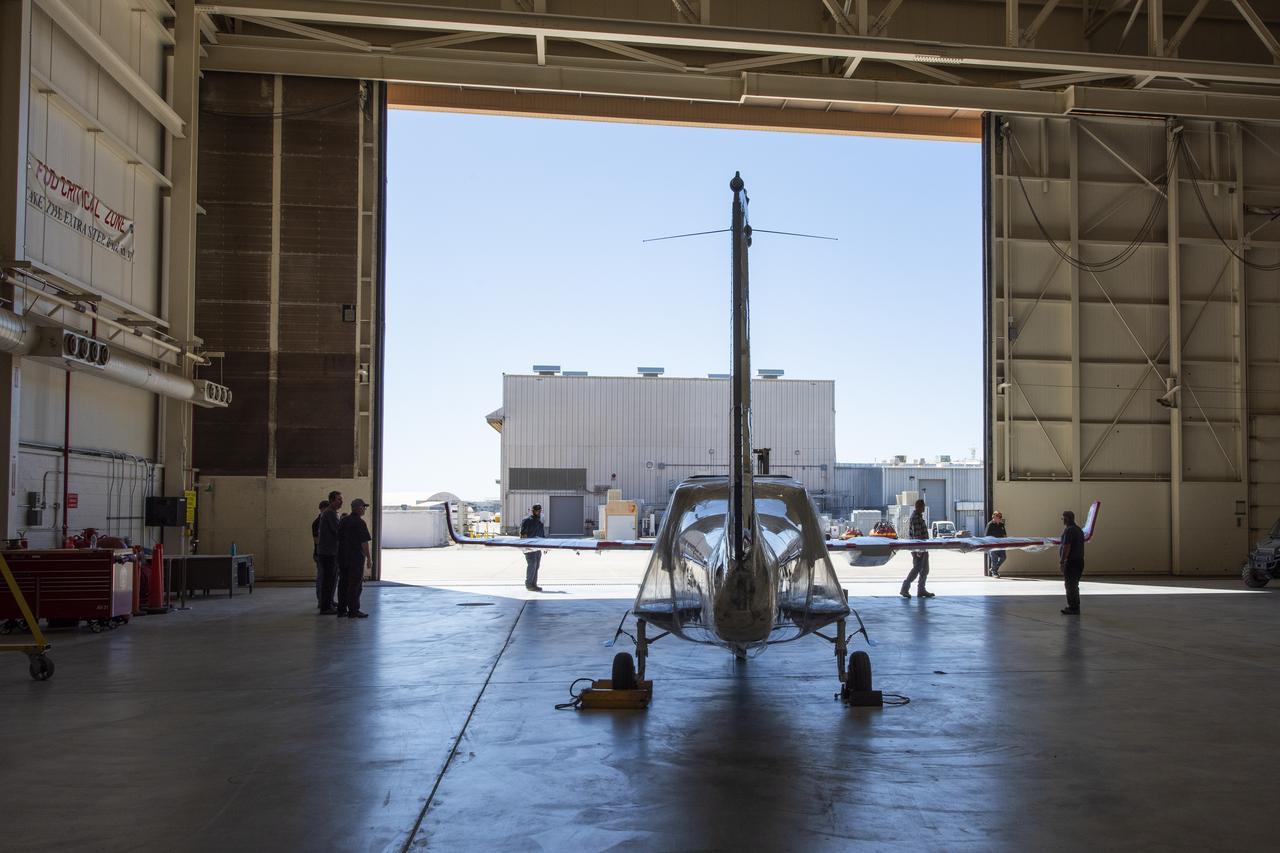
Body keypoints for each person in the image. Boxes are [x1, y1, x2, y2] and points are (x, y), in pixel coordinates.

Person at [337, 498, 373, 618]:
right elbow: (364, 542)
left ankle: (341, 609)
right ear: (358, 508)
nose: (365, 509)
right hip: (355, 558)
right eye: (364, 507)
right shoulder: (360, 522)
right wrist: (369, 558)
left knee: (343, 583)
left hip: (342, 557)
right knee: (355, 584)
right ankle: (353, 610)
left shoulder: (343, 521)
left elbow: (338, 538)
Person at [900, 499, 935, 599]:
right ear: (919, 507)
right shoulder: (915, 518)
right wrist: (919, 550)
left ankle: (921, 589)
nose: (924, 508)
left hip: (923, 547)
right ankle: (905, 588)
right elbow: (917, 535)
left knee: (925, 570)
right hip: (919, 548)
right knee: (917, 569)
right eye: (923, 506)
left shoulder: (918, 517)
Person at [315, 490, 343, 614]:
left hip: (330, 552)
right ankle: (325, 606)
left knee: (331, 579)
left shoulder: (332, 513)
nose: (341, 501)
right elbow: (338, 530)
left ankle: (329, 602)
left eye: (341, 499)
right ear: (331, 500)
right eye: (338, 499)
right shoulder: (330, 513)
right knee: (328, 580)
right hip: (328, 553)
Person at [1059, 509, 1085, 615]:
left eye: (1063, 518)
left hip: (1072, 562)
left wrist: (1062, 561)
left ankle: (1073, 608)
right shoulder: (1079, 530)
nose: (1062, 520)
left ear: (1067, 519)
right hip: (1079, 561)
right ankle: (1075, 606)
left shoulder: (1069, 530)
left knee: (1070, 585)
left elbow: (1066, 547)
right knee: (1074, 585)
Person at [520, 504, 545, 592]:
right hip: (529, 547)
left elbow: (542, 535)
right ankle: (529, 584)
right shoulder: (527, 521)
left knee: (536, 566)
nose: (539, 512)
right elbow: (523, 534)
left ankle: (534, 584)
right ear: (533, 511)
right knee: (532, 565)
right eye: (537, 511)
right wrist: (526, 547)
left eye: (540, 511)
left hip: (538, 547)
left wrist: (545, 546)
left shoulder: (540, 522)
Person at [312, 499, 330, 608]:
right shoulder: (318, 522)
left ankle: (328, 600)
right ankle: (321, 601)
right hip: (321, 554)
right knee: (322, 578)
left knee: (327, 579)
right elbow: (317, 540)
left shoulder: (326, 521)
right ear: (322, 509)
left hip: (325, 553)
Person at [985, 510, 1007, 578]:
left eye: (1000, 517)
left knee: (1003, 557)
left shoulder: (1001, 525)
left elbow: (1004, 534)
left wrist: (1006, 541)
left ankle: (993, 569)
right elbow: (986, 535)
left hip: (1001, 544)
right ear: (994, 517)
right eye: (998, 517)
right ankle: (994, 573)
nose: (1000, 518)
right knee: (994, 559)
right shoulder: (990, 524)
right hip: (993, 545)